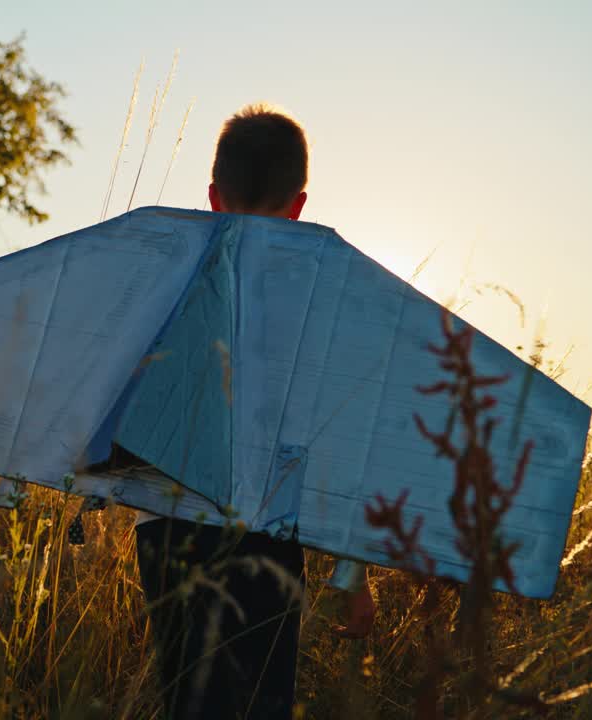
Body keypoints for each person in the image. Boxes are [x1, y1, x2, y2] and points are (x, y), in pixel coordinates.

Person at [132, 103, 377, 720]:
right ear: (299, 205)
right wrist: (353, 569)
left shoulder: (163, 274)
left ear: (213, 196)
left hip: (165, 525)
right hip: (269, 533)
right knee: (259, 703)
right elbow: (337, 431)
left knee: (187, 695)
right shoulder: (319, 300)